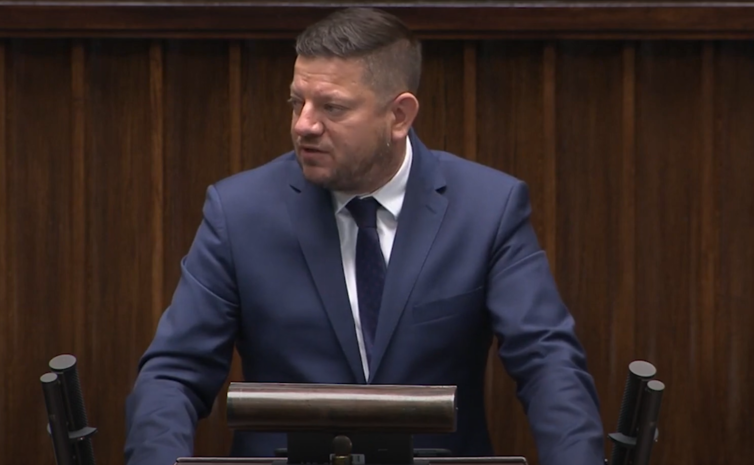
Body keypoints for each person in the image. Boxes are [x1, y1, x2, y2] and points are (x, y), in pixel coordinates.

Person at [124, 7, 604, 465]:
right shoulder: (240, 213)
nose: (304, 125)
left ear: (399, 116)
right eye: (297, 102)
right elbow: (174, 374)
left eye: (331, 107)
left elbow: (547, 363)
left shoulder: (487, 209)